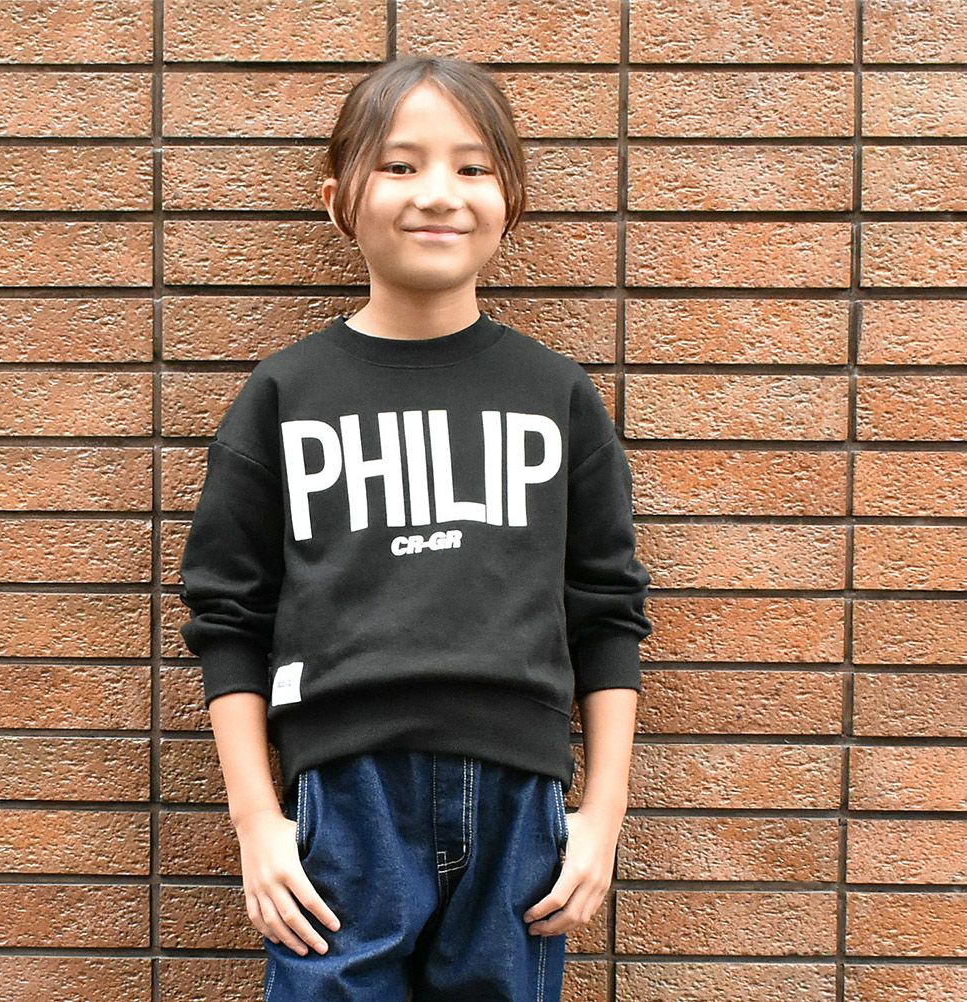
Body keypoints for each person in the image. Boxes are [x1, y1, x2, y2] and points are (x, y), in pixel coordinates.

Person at [177, 54, 653, 1002]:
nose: (438, 193)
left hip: (520, 796)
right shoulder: (287, 394)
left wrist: (602, 816)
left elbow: (607, 610)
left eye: (473, 167)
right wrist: (257, 821)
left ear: (511, 202)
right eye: (400, 165)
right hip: (343, 797)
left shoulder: (555, 396)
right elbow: (227, 615)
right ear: (337, 200)